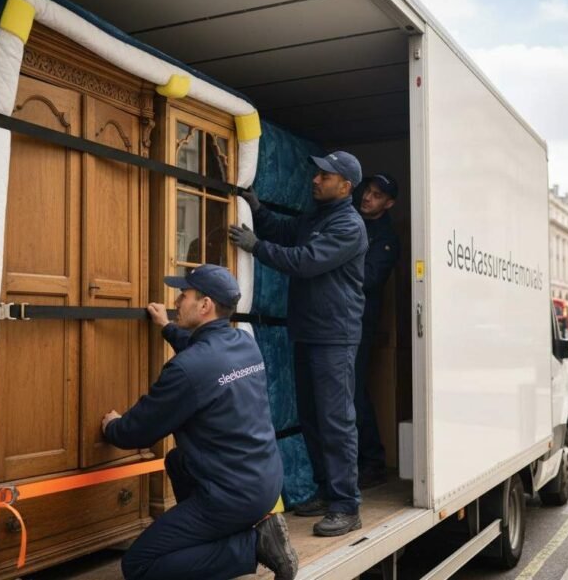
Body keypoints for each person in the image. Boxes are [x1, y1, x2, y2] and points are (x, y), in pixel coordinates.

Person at [100, 264, 297, 580]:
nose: (177, 301)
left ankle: (252, 545)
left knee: (138, 565)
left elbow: (136, 431)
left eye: (184, 295)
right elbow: (205, 355)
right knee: (178, 460)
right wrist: (167, 327)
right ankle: (219, 537)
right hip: (265, 482)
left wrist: (113, 425)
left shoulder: (186, 370)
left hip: (231, 495)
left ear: (205, 306)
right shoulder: (245, 344)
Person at [229, 151, 368, 537]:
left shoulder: (349, 226)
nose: (315, 179)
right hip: (308, 332)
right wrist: (256, 208)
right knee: (312, 418)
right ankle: (328, 491)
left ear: (345, 186)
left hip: (334, 337)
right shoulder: (318, 217)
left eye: (325, 175)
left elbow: (305, 260)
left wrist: (256, 247)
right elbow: (287, 232)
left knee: (336, 422)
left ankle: (346, 505)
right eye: (317, 173)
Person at [352, 174, 400, 489]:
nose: (368, 197)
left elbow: (368, 279)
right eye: (367, 191)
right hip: (343, 318)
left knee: (353, 393)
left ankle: (372, 462)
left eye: (377, 195)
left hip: (359, 322)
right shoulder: (349, 219)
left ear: (388, 203)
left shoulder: (386, 238)